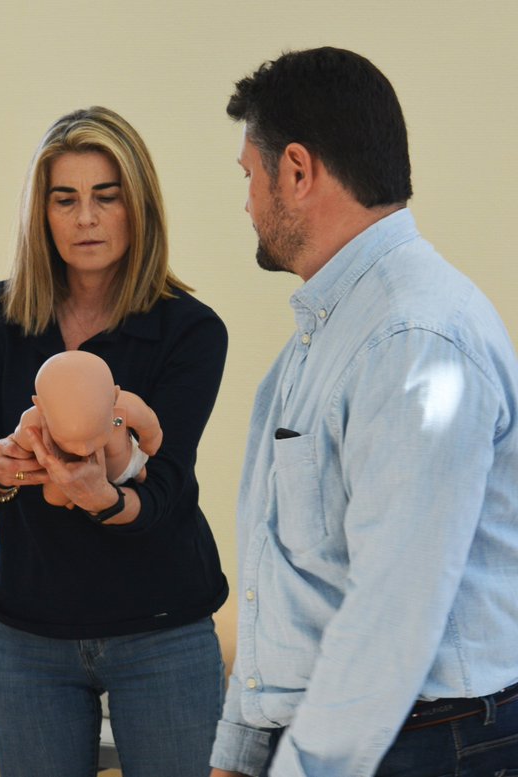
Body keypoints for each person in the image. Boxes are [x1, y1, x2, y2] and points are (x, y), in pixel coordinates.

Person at [211, 47, 518, 777]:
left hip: (428, 744)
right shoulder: (323, 340)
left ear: (296, 169)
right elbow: (280, 577)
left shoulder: (419, 341)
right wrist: (237, 752)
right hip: (360, 740)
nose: (246, 202)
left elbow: (391, 611)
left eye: (249, 175)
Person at [0, 106, 229, 777]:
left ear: (139, 207)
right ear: (41, 213)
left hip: (162, 629)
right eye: (65, 199)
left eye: (107, 197)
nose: (85, 219)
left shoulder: (190, 331)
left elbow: (167, 491)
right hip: (27, 636)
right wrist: (4, 468)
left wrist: (105, 498)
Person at [12, 350, 162, 508]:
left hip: (125, 467)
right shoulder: (33, 423)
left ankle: (138, 474)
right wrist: (17, 465)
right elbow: (16, 452)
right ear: (41, 407)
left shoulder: (127, 407)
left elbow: (150, 426)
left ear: (114, 397)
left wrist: (149, 443)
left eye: (96, 435)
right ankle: (71, 499)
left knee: (141, 474)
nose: (84, 451)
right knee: (53, 498)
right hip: (67, 476)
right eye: (69, 440)